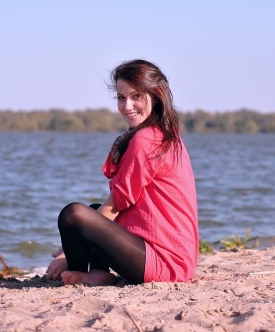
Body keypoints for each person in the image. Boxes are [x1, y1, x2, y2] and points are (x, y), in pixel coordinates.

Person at [46, 59, 198, 286]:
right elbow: (116, 207)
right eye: (121, 97)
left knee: (73, 215)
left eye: (136, 96)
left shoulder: (146, 140)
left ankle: (75, 270)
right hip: (173, 257)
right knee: (93, 211)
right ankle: (97, 273)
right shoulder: (164, 134)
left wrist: (66, 255)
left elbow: (116, 204)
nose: (127, 106)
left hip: (164, 262)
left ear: (156, 96)